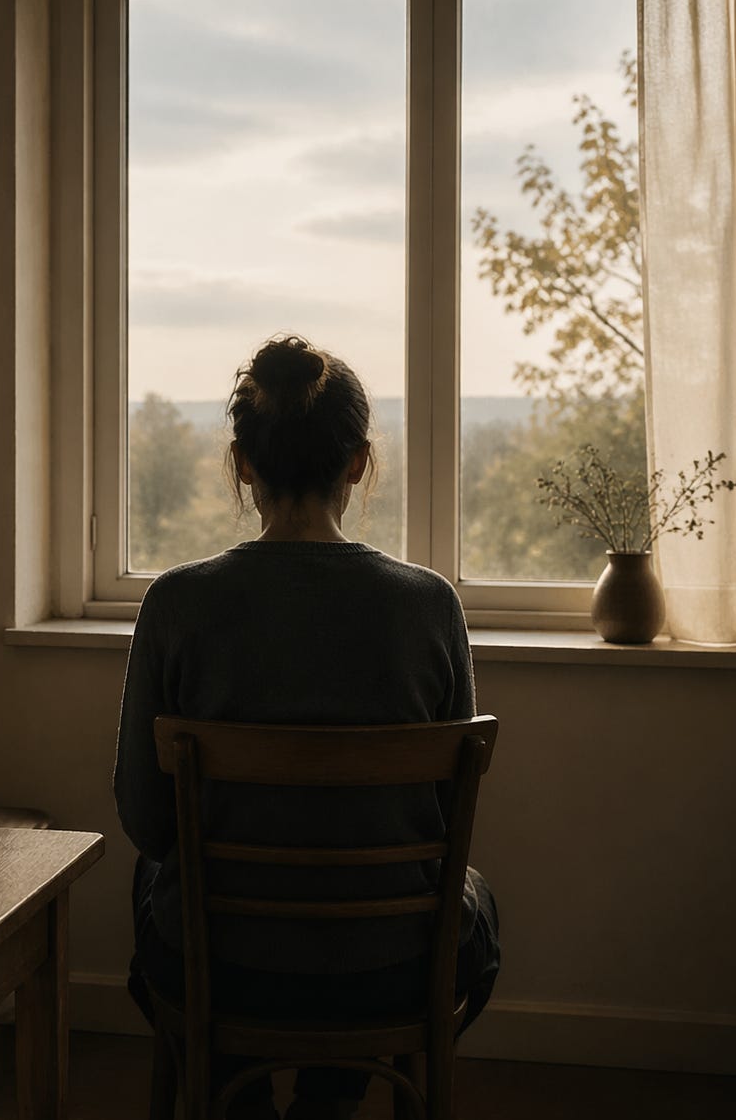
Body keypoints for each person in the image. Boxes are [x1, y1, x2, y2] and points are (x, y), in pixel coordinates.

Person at [113, 335, 501, 1120]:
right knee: (475, 906)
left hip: (224, 965)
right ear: (357, 463)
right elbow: (438, 819)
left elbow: (147, 821)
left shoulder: (176, 604)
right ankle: (335, 1093)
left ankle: (232, 1094)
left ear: (243, 463)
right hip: (389, 968)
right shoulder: (430, 606)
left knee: (152, 882)